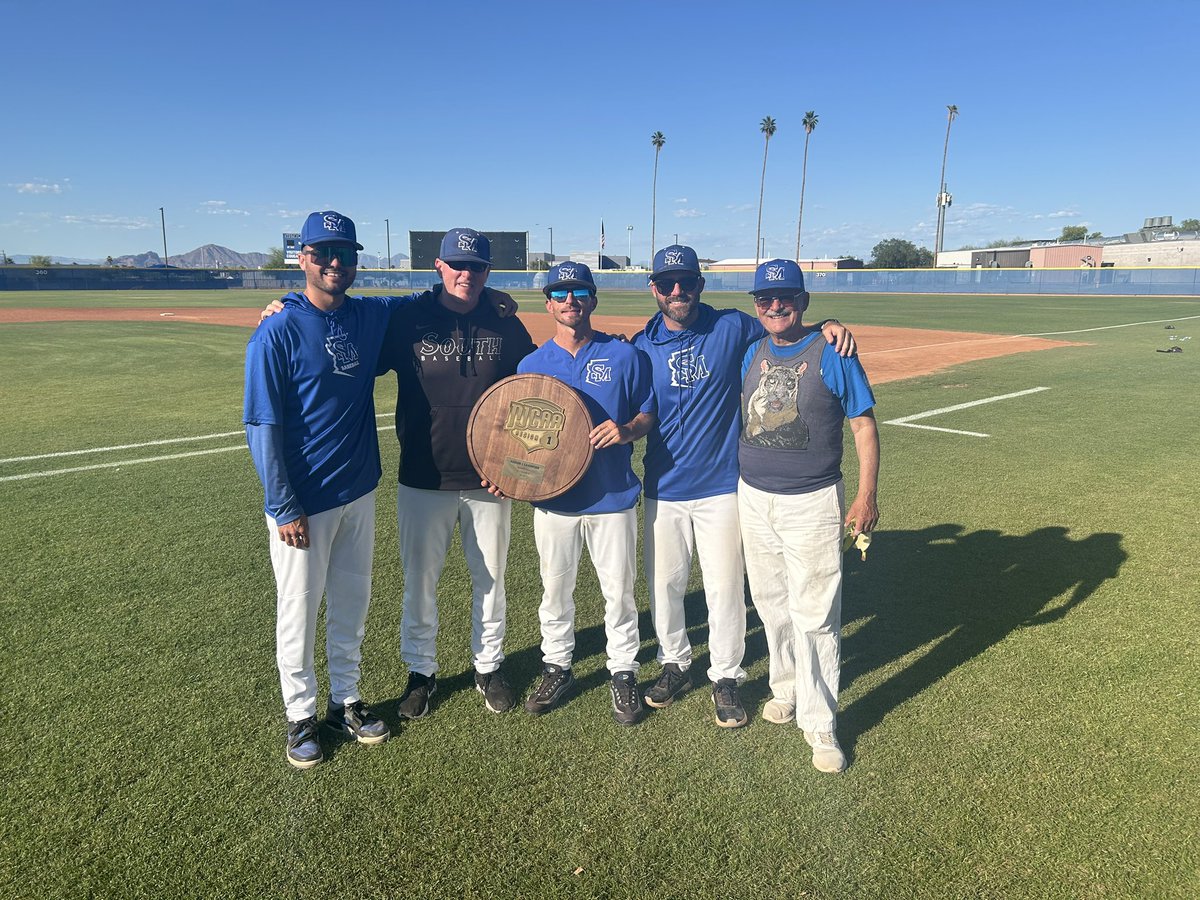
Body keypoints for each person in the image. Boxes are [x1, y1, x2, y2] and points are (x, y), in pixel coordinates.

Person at [631, 245, 855, 728]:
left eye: (686, 282)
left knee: (725, 587)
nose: (677, 292)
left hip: (721, 487)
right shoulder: (641, 343)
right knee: (664, 585)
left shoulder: (732, 326)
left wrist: (827, 325)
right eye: (667, 284)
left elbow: (786, 330)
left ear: (699, 286)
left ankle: (726, 676)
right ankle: (675, 662)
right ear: (654, 288)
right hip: (663, 486)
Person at [244, 210, 392, 769]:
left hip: (358, 491)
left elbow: (427, 305)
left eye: (346, 254)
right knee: (299, 609)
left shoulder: (370, 316)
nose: (336, 263)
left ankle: (345, 700)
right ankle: (300, 715)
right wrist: (283, 503)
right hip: (302, 502)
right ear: (303, 258)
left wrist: (497, 301)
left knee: (353, 601)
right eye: (324, 252)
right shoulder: (277, 329)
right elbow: (262, 424)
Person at [377, 229, 537, 719]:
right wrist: (289, 305)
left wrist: (510, 466)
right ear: (439, 267)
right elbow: (355, 324)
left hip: (490, 480)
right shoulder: (409, 317)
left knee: (491, 579)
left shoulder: (505, 323)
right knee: (420, 581)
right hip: (423, 475)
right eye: (458, 265)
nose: (467, 274)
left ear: (489, 272)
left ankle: (487, 666)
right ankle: (421, 672)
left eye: (478, 267)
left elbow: (527, 394)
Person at [737, 258, 879, 773]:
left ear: (803, 301)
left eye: (787, 298)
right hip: (753, 496)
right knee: (772, 602)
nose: (776, 306)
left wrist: (866, 496)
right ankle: (787, 687)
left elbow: (863, 425)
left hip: (812, 499)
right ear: (757, 305)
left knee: (815, 614)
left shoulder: (833, 351)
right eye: (766, 299)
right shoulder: (752, 349)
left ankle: (820, 725)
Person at [510, 262, 656, 725]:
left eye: (578, 291)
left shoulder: (623, 356)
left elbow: (647, 414)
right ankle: (557, 665)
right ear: (548, 303)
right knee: (555, 591)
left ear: (592, 299)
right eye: (560, 292)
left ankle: (623, 670)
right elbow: (518, 438)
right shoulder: (530, 366)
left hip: (611, 496)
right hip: (554, 502)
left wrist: (627, 430)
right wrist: (512, 476)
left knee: (619, 592)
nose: (569, 300)